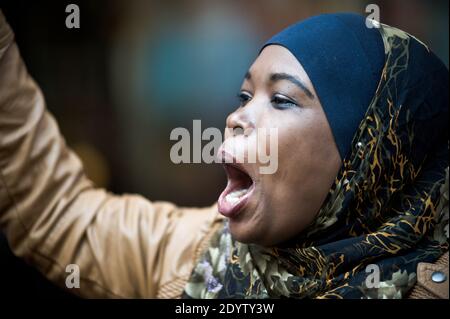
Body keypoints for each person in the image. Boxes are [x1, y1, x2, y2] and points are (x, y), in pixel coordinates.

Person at [0, 10, 448, 299]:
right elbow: (56, 214)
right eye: (243, 95)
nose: (236, 117)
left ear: (370, 155)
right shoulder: (201, 254)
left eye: (283, 99)